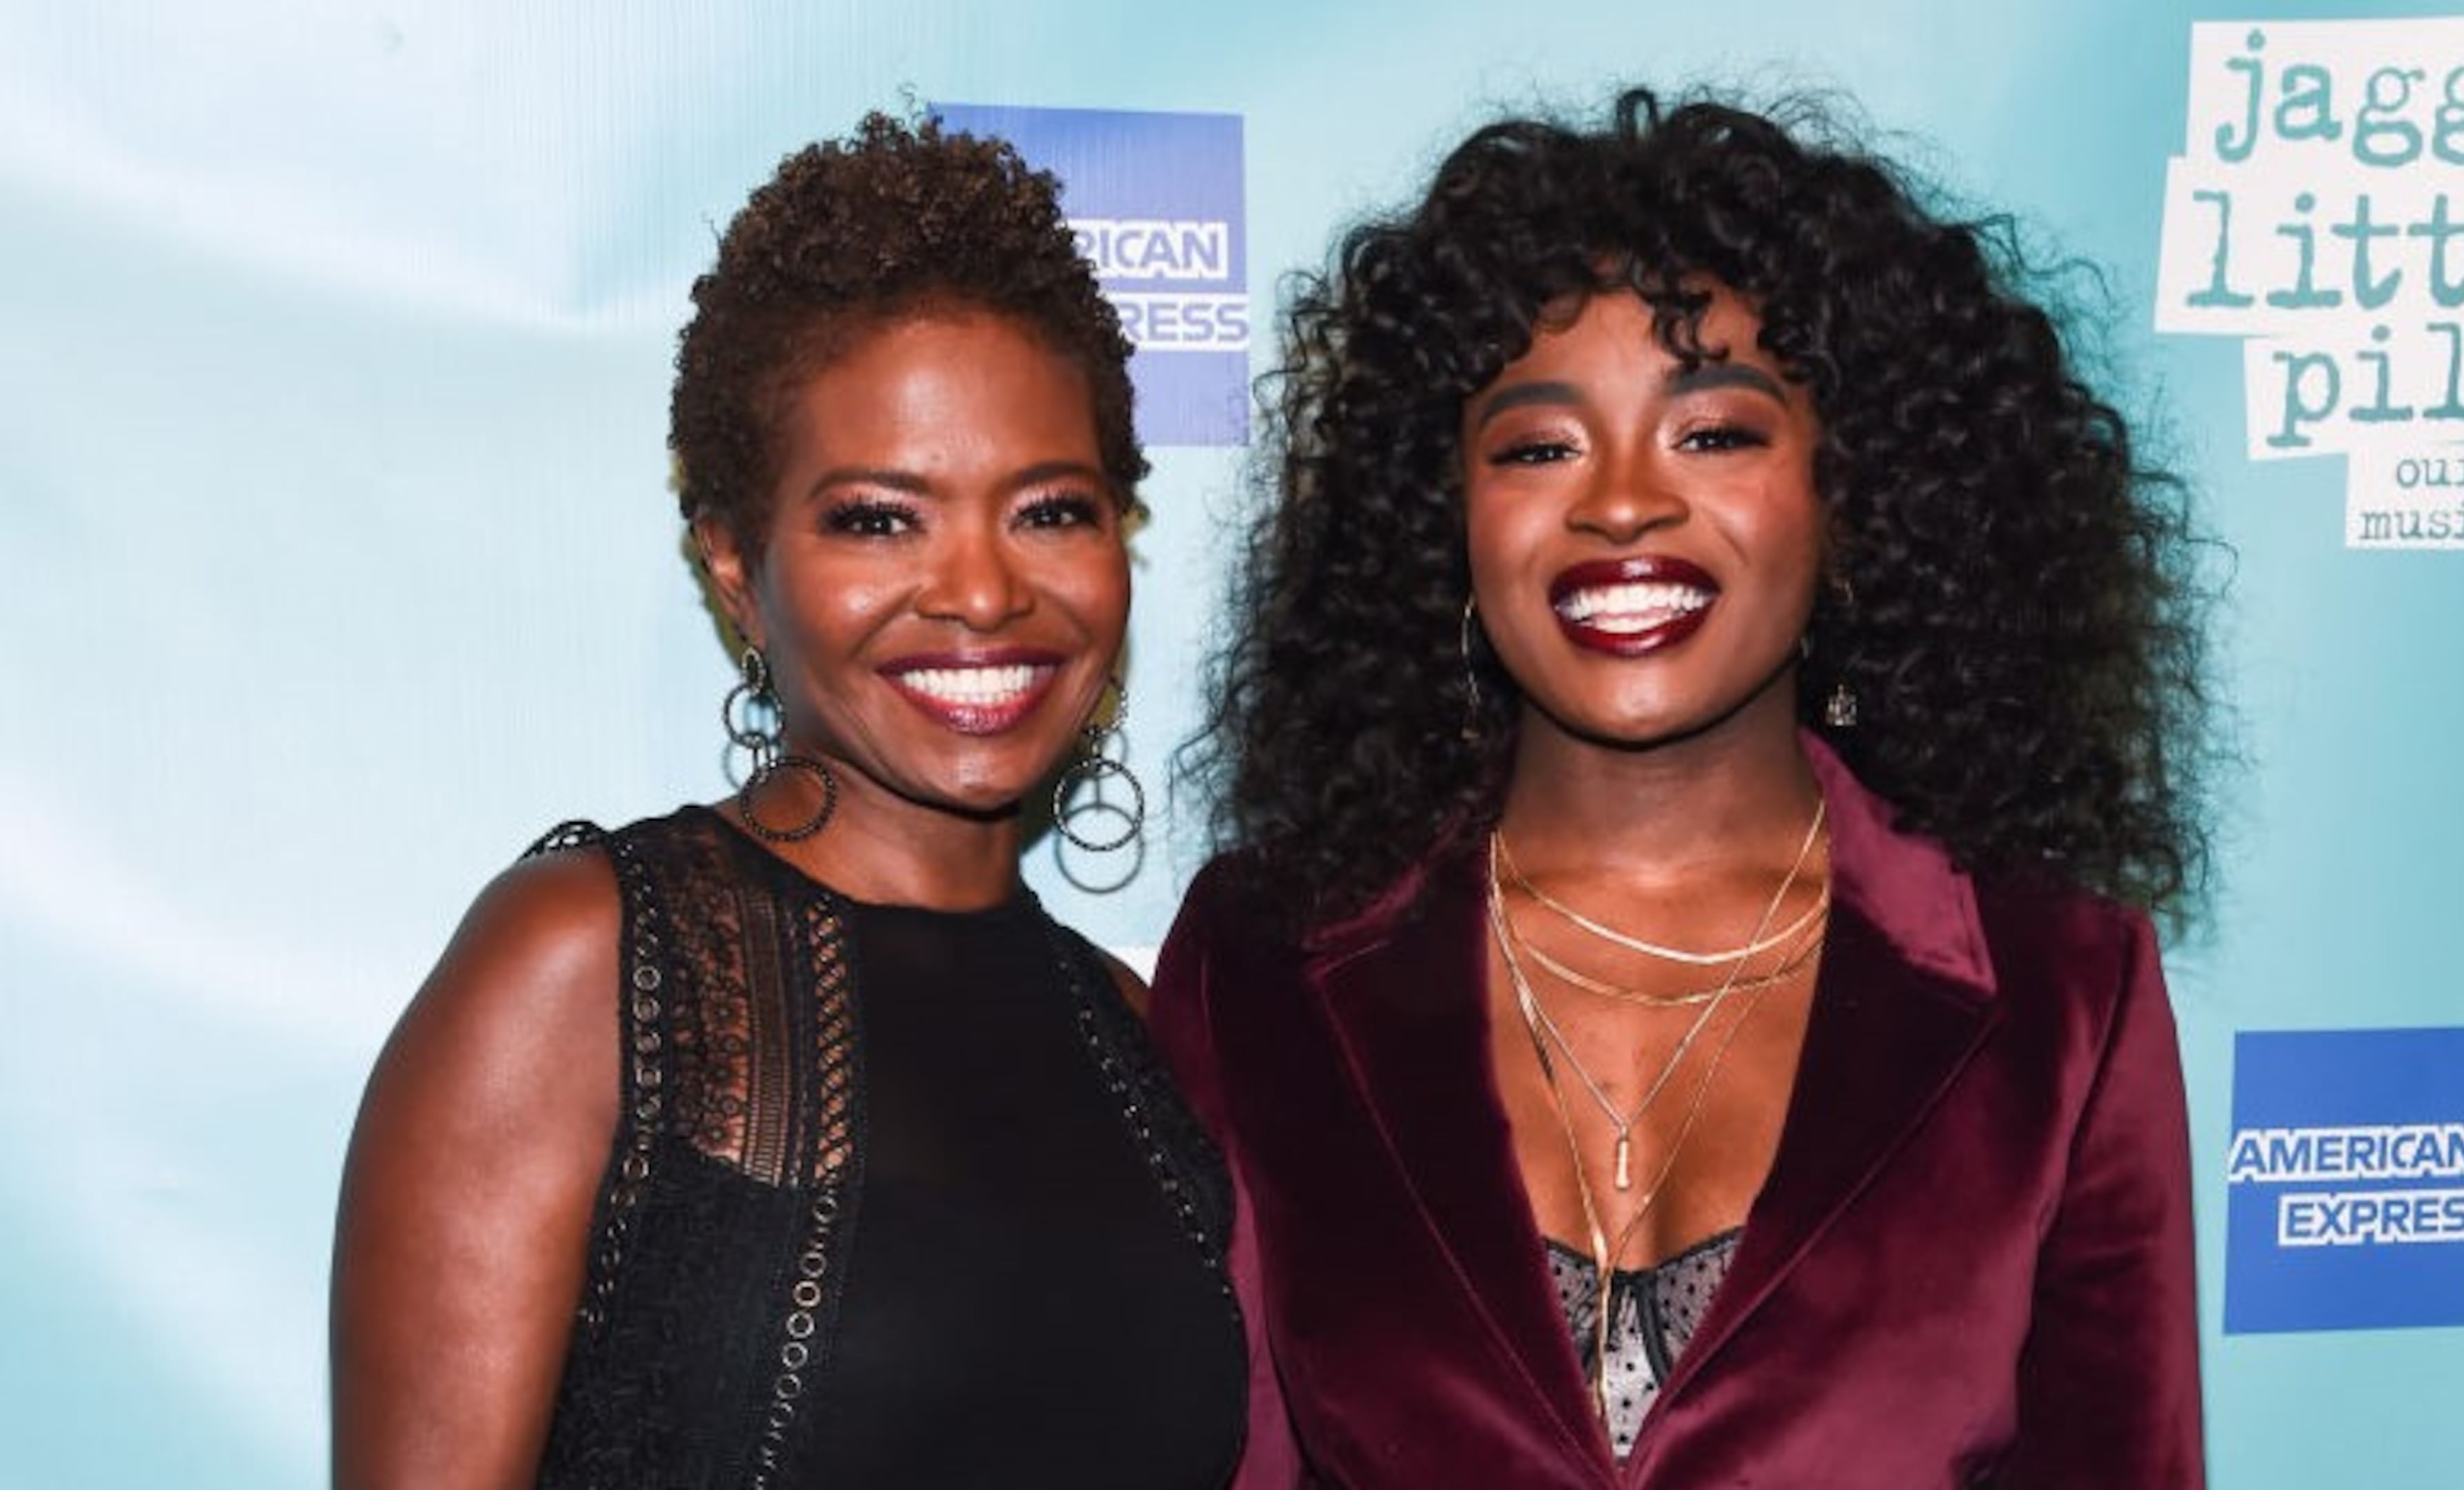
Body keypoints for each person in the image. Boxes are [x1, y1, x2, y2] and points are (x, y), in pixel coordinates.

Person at [1156, 89, 2216, 1488]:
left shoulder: (2063, 989)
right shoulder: (1266, 956)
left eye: (1713, 432)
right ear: (1441, 519)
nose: (1621, 504)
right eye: (1538, 446)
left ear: (1857, 498)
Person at [332, 115, 1249, 1489]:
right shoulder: (590, 968)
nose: (984, 593)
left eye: (1050, 509)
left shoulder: (1134, 1037)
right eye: (880, 519)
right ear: (734, 571)